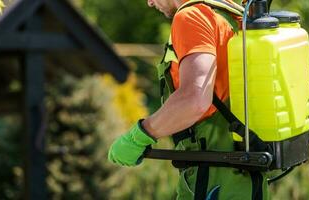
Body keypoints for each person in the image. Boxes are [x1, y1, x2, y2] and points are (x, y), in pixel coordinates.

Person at [108, 0, 268, 199]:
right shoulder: (232, 13)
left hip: (212, 180)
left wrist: (139, 136)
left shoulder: (191, 17)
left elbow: (195, 100)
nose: (149, 2)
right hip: (245, 179)